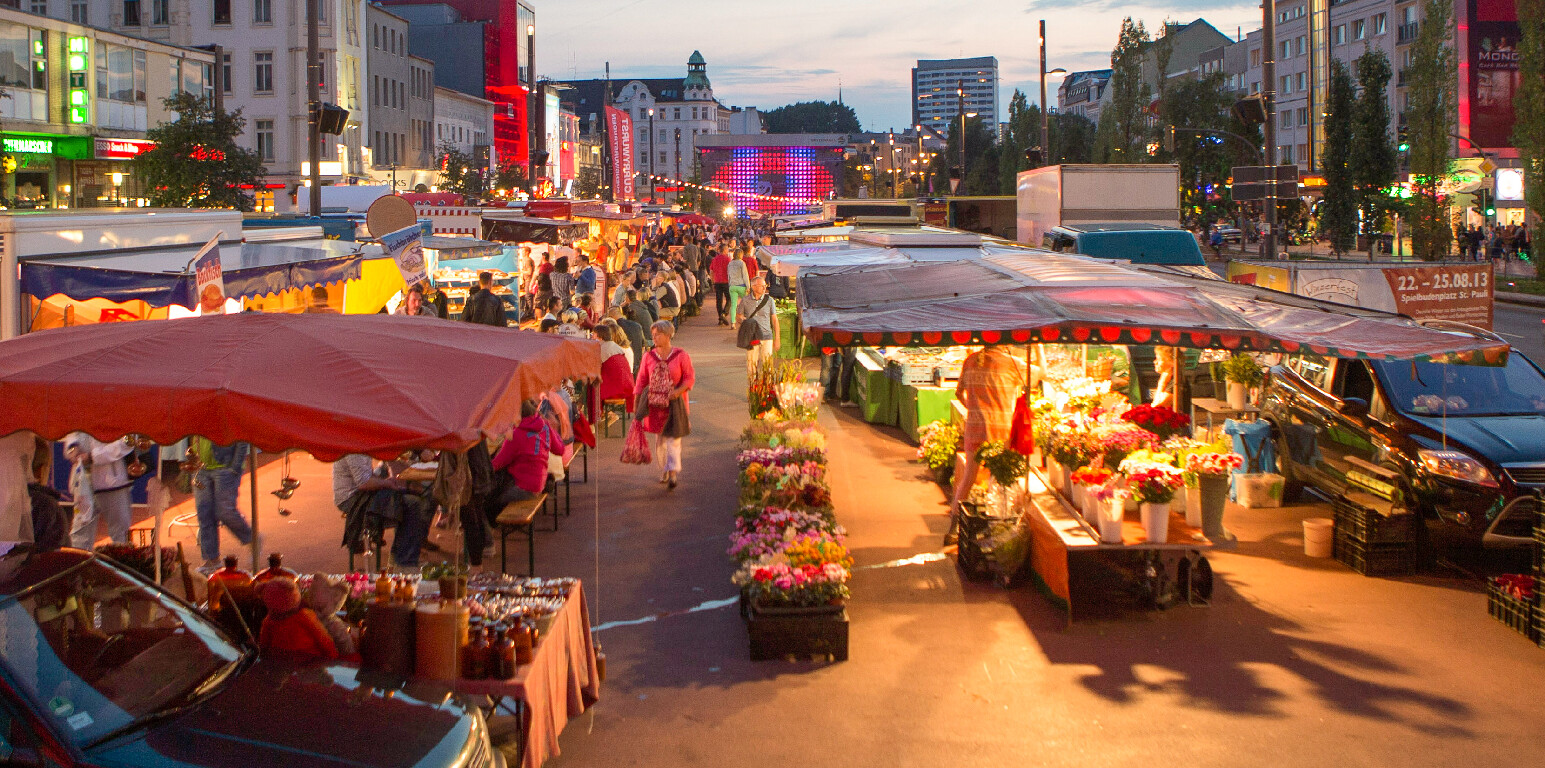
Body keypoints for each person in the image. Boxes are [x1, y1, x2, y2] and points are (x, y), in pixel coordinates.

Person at [948, 346, 1028, 537]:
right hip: (1000, 429)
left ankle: (952, 529)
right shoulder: (1011, 363)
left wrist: (973, 408)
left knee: (968, 479)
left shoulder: (971, 361)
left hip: (975, 428)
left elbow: (959, 393)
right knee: (998, 480)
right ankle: (997, 530)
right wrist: (1039, 348)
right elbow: (1040, 374)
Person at [333, 454, 432, 570]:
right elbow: (363, 483)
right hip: (352, 498)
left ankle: (400, 558)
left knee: (409, 498)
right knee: (412, 504)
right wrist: (387, 483)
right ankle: (404, 562)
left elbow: (367, 475)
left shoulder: (360, 444)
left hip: (361, 494)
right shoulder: (354, 448)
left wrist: (386, 481)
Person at [633, 321, 695, 489]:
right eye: (653, 335)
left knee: (674, 439)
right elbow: (641, 381)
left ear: (668, 336)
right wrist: (636, 403)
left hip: (676, 405)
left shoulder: (681, 355)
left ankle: (673, 472)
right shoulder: (648, 357)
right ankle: (664, 469)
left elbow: (689, 378)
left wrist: (679, 391)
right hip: (655, 405)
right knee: (660, 439)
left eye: (658, 334)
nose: (654, 338)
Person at [485, 400, 562, 520]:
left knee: (491, 502)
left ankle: (496, 530)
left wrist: (484, 468)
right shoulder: (545, 426)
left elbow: (499, 462)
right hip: (540, 483)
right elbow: (560, 450)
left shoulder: (517, 434)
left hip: (524, 487)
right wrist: (554, 429)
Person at [190, 436, 256, 571]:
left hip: (225, 467)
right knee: (204, 514)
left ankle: (252, 539)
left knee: (224, 511)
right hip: (200, 467)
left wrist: (235, 466)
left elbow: (241, 437)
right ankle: (212, 560)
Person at [64, 433, 135, 549]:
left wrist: (93, 456)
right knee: (80, 533)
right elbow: (72, 431)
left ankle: (119, 565)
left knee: (120, 535)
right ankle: (78, 565)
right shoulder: (79, 414)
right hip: (83, 481)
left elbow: (128, 442)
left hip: (113, 483)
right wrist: (72, 447)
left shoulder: (123, 415)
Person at [737, 275, 780, 375]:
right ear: (754, 287)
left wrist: (777, 338)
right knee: (751, 365)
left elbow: (774, 320)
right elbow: (739, 315)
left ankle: (767, 387)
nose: (765, 288)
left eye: (765, 286)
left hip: (767, 336)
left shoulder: (769, 301)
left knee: (767, 366)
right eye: (762, 286)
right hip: (752, 336)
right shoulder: (745, 300)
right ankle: (753, 387)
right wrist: (741, 319)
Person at [609, 307, 646, 375]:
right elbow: (643, 347)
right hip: (637, 365)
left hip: (624, 368)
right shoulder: (637, 325)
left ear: (611, 317)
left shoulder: (615, 329)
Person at [727, 246, 751, 327]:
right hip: (741, 285)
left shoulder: (730, 263)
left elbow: (728, 275)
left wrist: (730, 284)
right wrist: (748, 286)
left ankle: (733, 323)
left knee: (733, 305)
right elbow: (745, 275)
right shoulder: (742, 263)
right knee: (747, 303)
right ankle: (747, 320)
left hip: (732, 285)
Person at [709, 246, 732, 326]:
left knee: (719, 300)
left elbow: (711, 271)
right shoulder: (728, 259)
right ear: (725, 250)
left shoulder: (715, 259)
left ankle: (720, 317)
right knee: (729, 298)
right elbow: (730, 270)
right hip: (726, 281)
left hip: (717, 281)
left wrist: (712, 281)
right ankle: (724, 313)